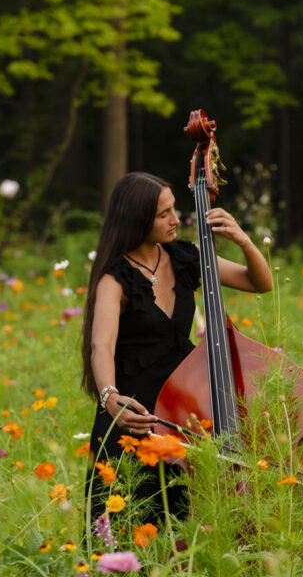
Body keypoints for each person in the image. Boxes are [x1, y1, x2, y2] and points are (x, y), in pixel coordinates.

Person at [81, 171, 272, 530]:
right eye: (163, 214)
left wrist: (243, 240)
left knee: (184, 516)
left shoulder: (186, 257)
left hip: (182, 406)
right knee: (127, 521)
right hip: (134, 411)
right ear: (137, 220)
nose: (176, 220)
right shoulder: (114, 279)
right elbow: (100, 345)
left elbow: (258, 282)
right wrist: (109, 397)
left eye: (174, 209)